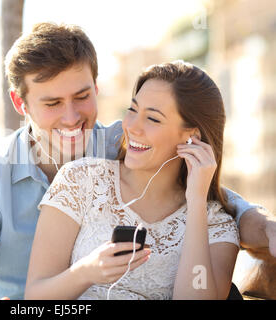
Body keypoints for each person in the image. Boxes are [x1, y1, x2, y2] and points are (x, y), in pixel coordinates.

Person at [0, 23, 274, 300]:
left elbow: (225, 203)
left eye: (82, 97)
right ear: (20, 103)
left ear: (96, 87)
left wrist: (268, 229)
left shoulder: (128, 141)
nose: (72, 117)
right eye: (53, 102)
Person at [24, 61, 262, 300]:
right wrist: (87, 272)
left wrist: (197, 201)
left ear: (192, 137)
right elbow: (35, 297)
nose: (132, 127)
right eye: (133, 110)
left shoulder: (215, 222)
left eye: (153, 119)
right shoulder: (79, 180)